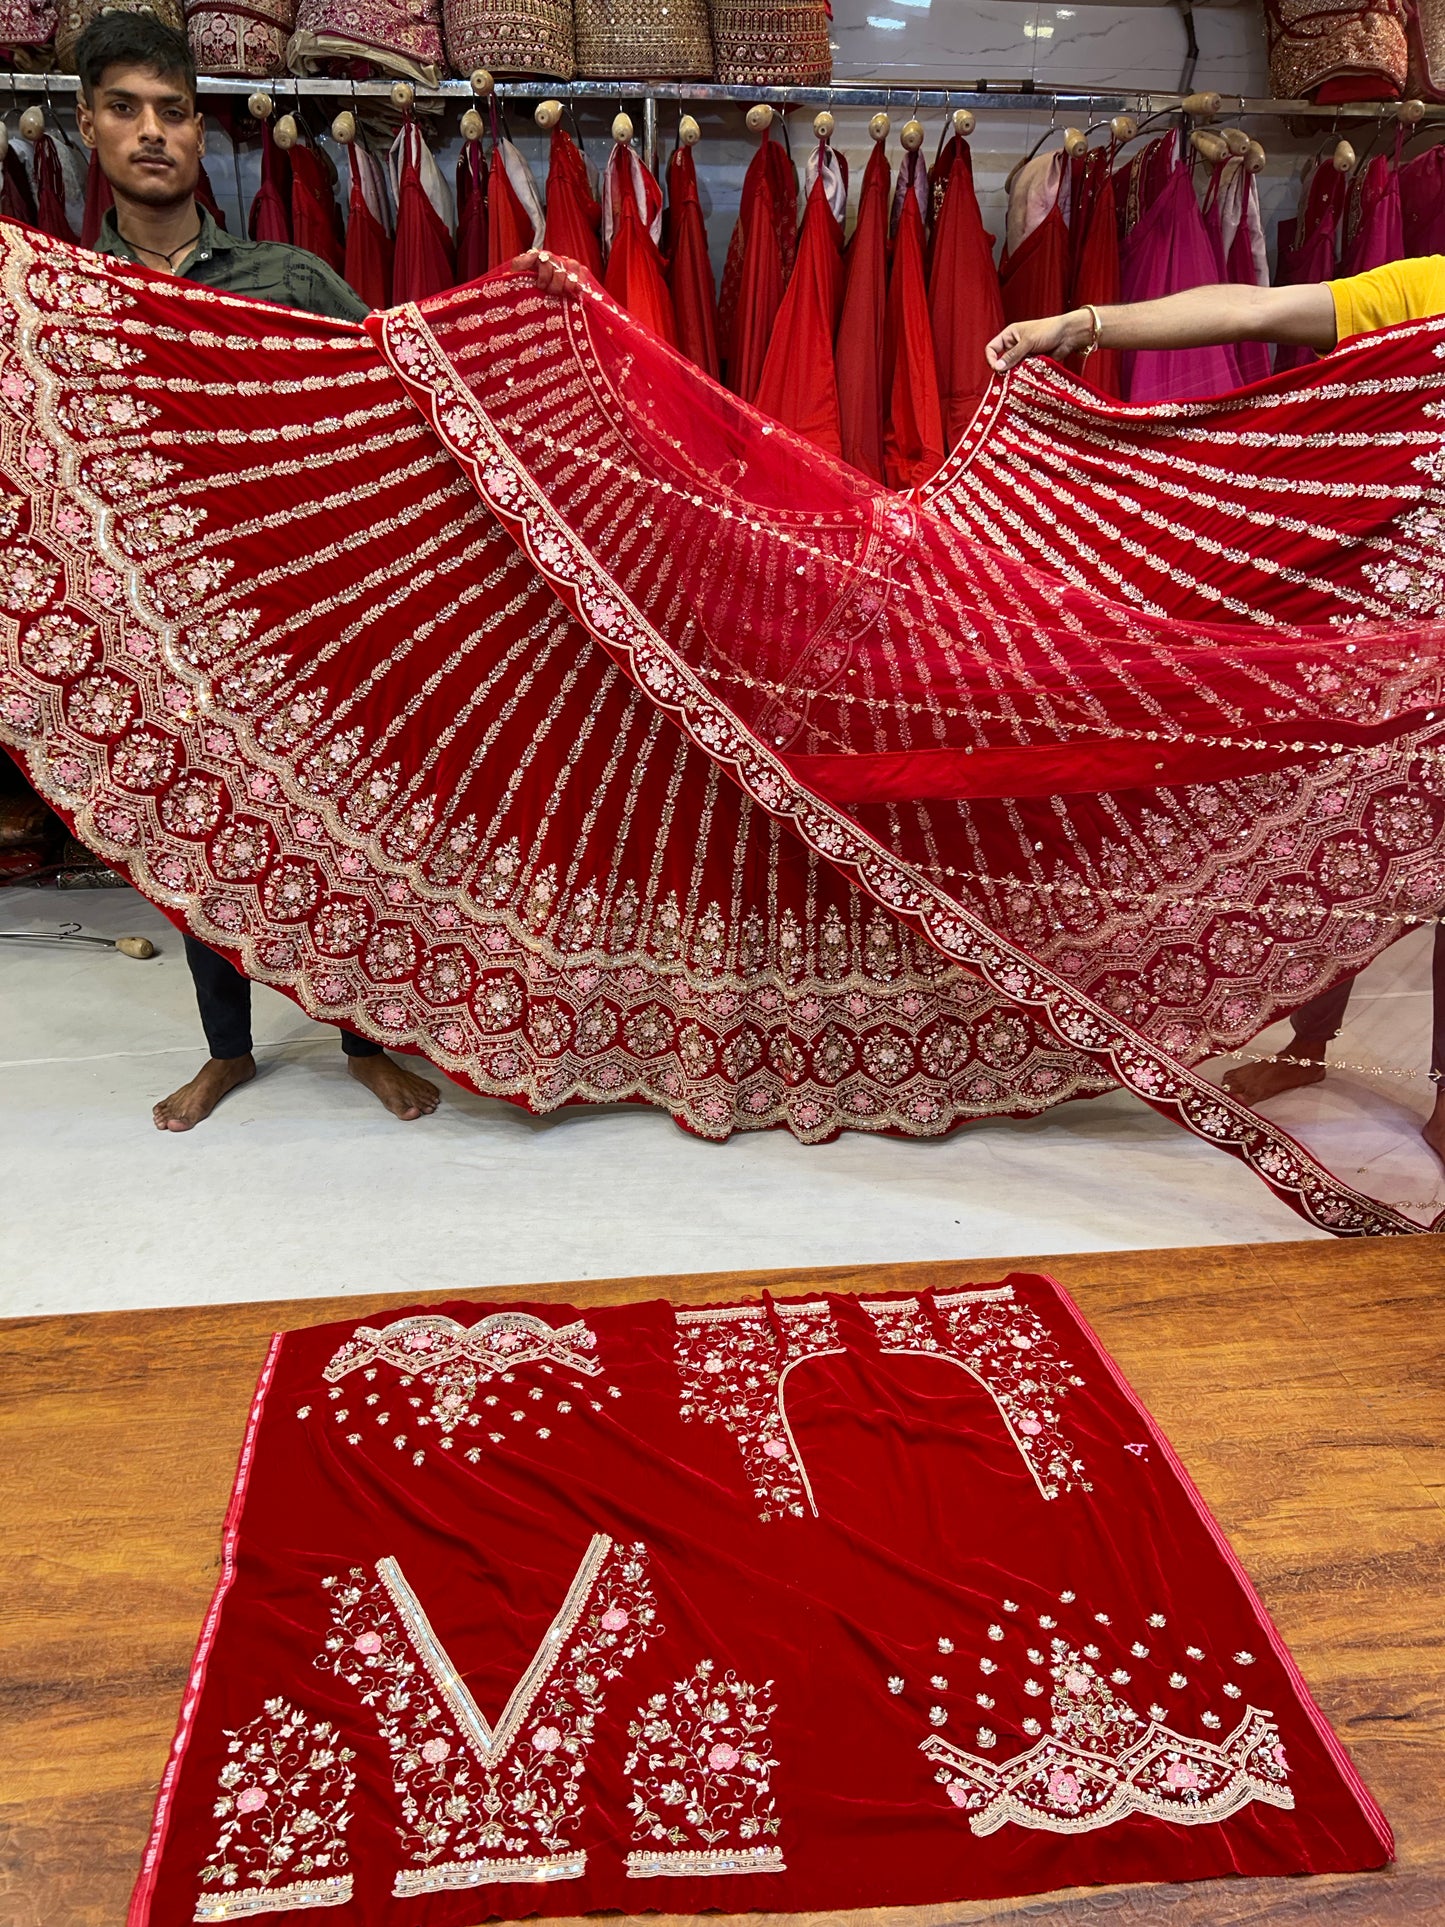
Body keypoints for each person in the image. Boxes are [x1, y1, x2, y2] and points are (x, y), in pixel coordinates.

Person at [985, 259, 1445, 1164]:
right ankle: (1306, 1044)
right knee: (1331, 814)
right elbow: (1253, 306)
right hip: (1392, 617)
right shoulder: (1434, 291)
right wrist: (1077, 324)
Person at [74, 12, 441, 1130]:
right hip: (160, 617)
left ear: (200, 132)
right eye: (127, 110)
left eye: (174, 112)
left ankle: (361, 1038)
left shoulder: (287, 277)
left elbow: (400, 397)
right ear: (87, 126)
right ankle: (226, 1049)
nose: (152, 133)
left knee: (340, 829)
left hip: (300, 612)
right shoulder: (66, 297)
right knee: (195, 833)